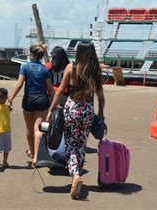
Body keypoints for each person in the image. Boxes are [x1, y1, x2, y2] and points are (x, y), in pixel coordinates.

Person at [47, 42, 105, 199]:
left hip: (71, 109)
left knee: (70, 145)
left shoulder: (71, 68)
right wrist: (101, 114)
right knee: (81, 145)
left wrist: (51, 109)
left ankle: (75, 175)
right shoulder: (94, 70)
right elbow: (100, 96)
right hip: (87, 111)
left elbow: (59, 90)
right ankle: (75, 175)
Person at [8, 43, 55, 167]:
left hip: (28, 100)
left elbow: (19, 84)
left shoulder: (25, 67)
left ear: (31, 54)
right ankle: (36, 157)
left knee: (29, 128)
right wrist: (55, 103)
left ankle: (33, 152)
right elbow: (50, 88)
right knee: (39, 128)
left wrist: (11, 98)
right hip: (42, 101)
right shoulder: (45, 69)